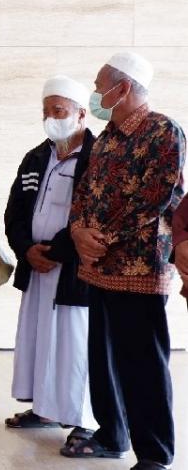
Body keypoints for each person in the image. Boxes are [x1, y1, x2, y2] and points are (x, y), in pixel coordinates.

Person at [64, 52, 183, 470]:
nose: (96, 94)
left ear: (124, 87)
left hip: (139, 267)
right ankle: (112, 435)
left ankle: (154, 454)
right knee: (104, 359)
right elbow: (83, 193)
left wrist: (103, 238)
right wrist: (78, 232)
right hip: (97, 267)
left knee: (143, 364)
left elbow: (157, 195)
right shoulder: (107, 138)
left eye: (100, 86)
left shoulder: (163, 130)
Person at [4, 76, 97, 448]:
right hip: (38, 266)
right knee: (40, 339)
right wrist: (26, 248)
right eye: (46, 111)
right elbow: (14, 210)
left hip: (73, 269)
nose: (50, 118)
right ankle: (44, 409)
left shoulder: (97, 156)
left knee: (74, 346)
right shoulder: (36, 156)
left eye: (58, 111)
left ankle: (85, 420)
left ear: (81, 114)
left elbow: (93, 214)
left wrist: (56, 251)